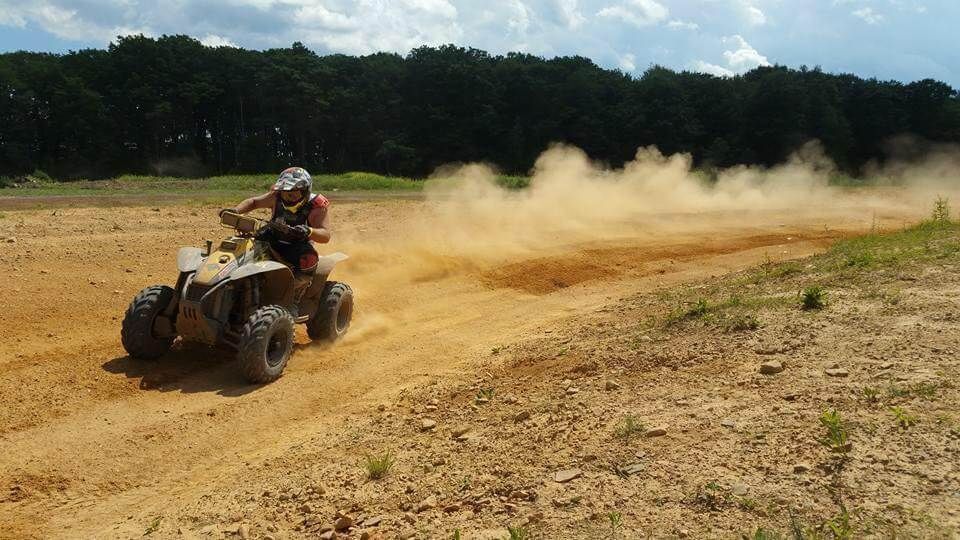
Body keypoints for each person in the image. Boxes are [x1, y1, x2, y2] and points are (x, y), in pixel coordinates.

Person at [221, 167, 331, 314]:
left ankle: (293, 298)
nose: (288, 197)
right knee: (244, 245)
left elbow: (325, 235)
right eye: (285, 192)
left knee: (309, 260)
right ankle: (233, 280)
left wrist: (309, 231)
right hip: (272, 237)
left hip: (297, 245)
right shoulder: (276, 196)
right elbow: (253, 202)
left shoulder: (316, 206)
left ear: (305, 191)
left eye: (293, 193)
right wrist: (235, 211)